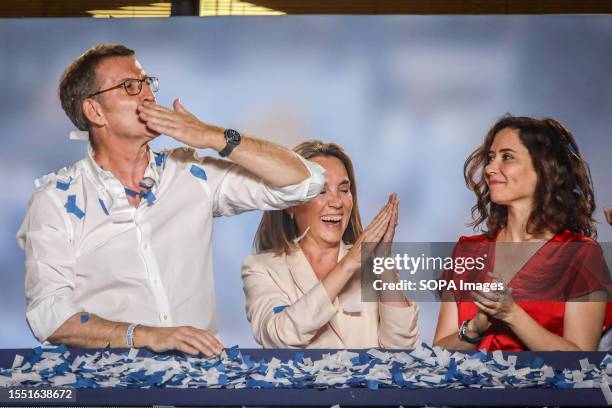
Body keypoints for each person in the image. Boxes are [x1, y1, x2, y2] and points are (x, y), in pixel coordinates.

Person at [16, 44, 325, 356]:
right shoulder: (55, 200)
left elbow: (305, 182)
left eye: (148, 82)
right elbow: (49, 316)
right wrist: (148, 335)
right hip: (112, 392)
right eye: (130, 86)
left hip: (198, 387)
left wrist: (213, 136)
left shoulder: (191, 174)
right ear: (94, 111)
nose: (148, 95)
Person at [433, 115, 610, 351]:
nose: (489, 168)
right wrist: (474, 329)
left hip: (546, 389)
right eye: (490, 158)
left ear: (544, 169)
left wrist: (513, 315)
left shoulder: (580, 254)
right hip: (471, 389)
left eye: (506, 157)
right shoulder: (467, 251)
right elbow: (440, 350)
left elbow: (582, 359)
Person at [242, 141, 419, 348]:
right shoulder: (260, 268)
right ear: (290, 205)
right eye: (321, 191)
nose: (336, 202)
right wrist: (350, 262)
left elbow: (404, 348)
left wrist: (383, 260)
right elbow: (281, 335)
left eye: (344, 190)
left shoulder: (374, 266)